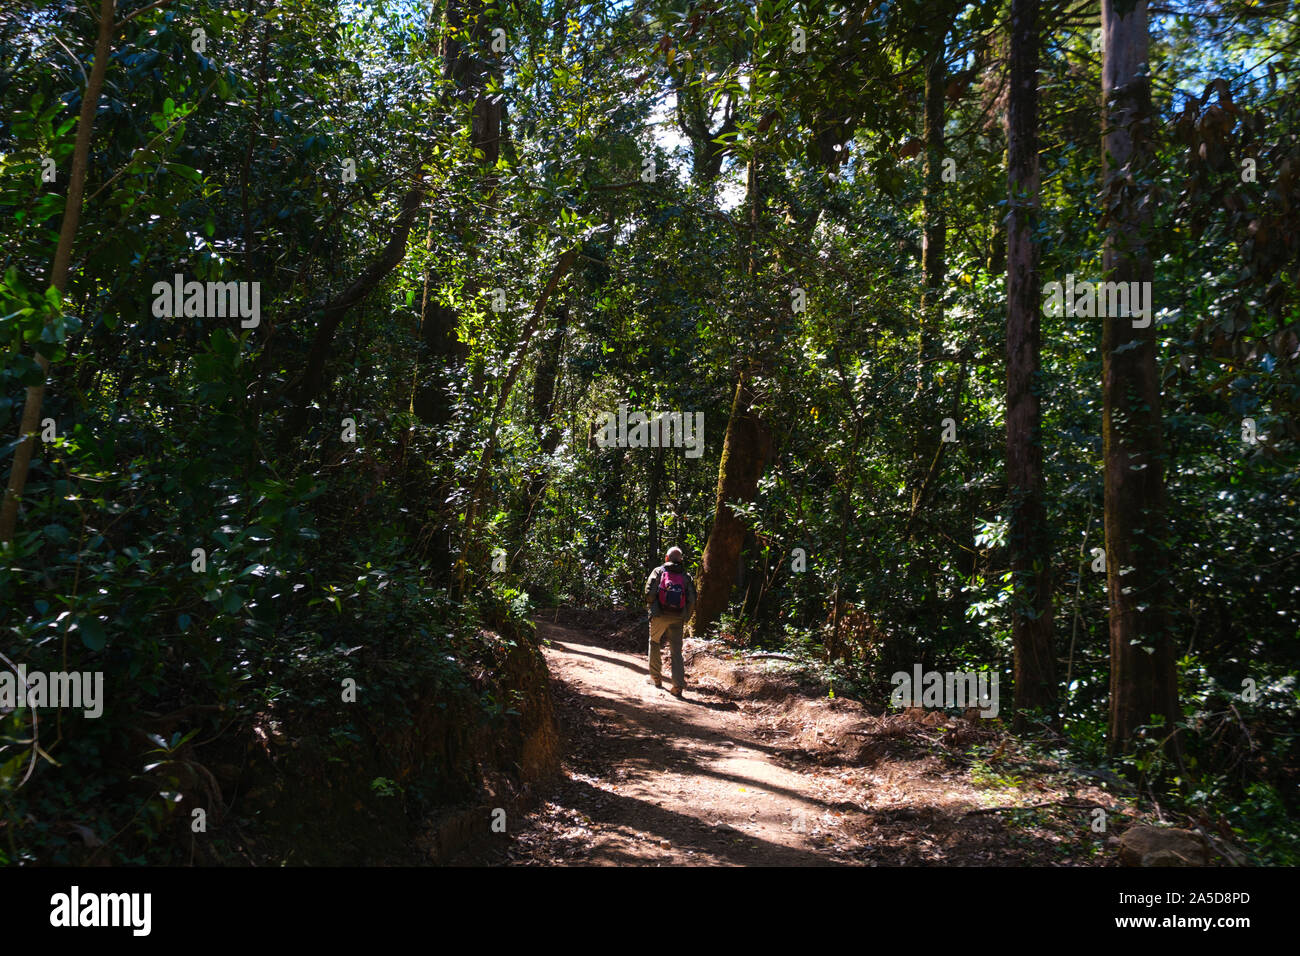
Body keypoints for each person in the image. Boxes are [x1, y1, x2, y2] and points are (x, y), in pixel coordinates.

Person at [644, 546, 696, 697]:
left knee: (654, 642)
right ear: (680, 560)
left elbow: (649, 593)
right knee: (676, 651)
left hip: (659, 615)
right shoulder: (686, 577)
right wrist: (686, 616)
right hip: (678, 617)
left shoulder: (658, 571)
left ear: (666, 558)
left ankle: (655, 678)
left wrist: (652, 607)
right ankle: (678, 686)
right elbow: (692, 599)